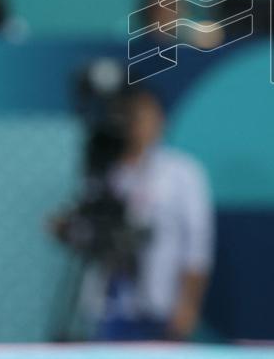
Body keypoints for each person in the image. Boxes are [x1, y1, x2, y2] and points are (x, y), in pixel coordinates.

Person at [80, 87, 214, 342]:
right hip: (108, 303)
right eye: (129, 117)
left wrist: (188, 306)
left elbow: (197, 246)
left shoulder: (182, 173)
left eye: (144, 117)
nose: (137, 126)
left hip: (160, 301)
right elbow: (89, 232)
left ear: (160, 121)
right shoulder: (104, 172)